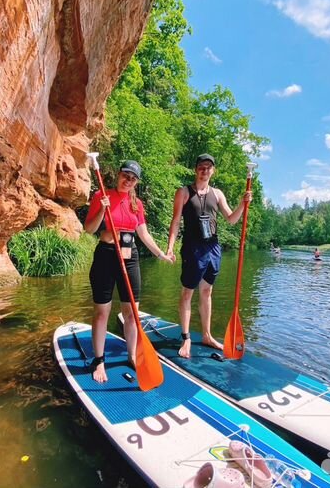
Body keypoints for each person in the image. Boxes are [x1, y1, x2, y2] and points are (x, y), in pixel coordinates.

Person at [84, 160, 174, 383]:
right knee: (102, 312)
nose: (128, 181)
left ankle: (132, 355)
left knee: (132, 312)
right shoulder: (101, 196)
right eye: (126, 175)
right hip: (106, 254)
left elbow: (143, 234)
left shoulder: (137, 204)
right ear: (118, 174)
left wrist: (160, 254)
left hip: (129, 256)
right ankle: (99, 361)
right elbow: (89, 229)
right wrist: (103, 209)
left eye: (133, 179)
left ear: (136, 183)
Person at [166, 153, 252, 358]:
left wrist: (243, 203)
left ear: (213, 171)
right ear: (196, 170)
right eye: (201, 167)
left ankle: (206, 335)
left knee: (207, 293)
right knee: (188, 293)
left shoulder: (218, 194)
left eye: (209, 167)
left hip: (213, 248)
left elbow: (231, 220)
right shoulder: (184, 192)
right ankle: (186, 337)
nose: (205, 170)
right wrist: (170, 247)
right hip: (192, 248)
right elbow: (176, 221)